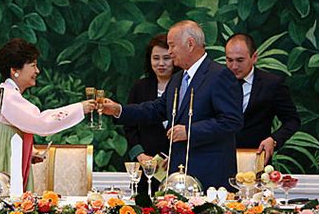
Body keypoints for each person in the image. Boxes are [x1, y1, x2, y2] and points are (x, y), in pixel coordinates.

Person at [103, 20, 243, 191]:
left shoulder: (219, 75)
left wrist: (189, 131)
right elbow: (158, 109)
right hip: (179, 176)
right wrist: (119, 110)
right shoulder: (177, 78)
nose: (169, 51)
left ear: (190, 44)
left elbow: (231, 121)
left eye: (172, 46)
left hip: (209, 174)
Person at [0, 38, 95, 194]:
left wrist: (29, 152)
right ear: (15, 70)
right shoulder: (7, 95)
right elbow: (41, 123)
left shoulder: (7, 92)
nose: (37, 71)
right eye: (33, 65)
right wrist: (81, 108)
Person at [225, 33, 300, 164]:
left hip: (257, 160)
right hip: (221, 160)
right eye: (229, 60)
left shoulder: (272, 84)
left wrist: (274, 139)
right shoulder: (217, 82)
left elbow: (292, 120)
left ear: (254, 57)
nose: (234, 66)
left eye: (240, 60)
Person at [124, 34, 177, 195]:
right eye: (156, 58)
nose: (161, 63)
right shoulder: (140, 87)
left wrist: (177, 155)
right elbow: (129, 127)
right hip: (147, 168)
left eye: (166, 58)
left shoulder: (185, 85)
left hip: (177, 166)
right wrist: (139, 154)